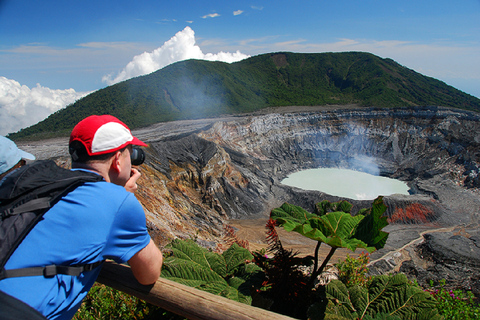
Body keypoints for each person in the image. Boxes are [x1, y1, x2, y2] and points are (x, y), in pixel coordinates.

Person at [0, 115, 163, 320]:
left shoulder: (48, 188)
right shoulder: (118, 202)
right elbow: (150, 273)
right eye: (130, 152)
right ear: (118, 160)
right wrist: (122, 199)